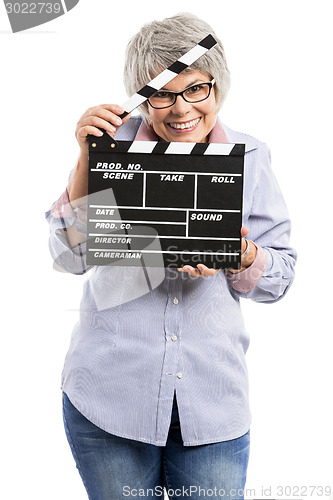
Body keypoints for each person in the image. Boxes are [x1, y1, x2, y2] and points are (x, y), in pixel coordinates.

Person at [45, 12, 296, 500]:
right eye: (161, 93)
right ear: (141, 97)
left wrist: (240, 256)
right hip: (109, 395)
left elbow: (281, 278)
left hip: (212, 404)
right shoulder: (112, 149)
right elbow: (67, 256)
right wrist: (85, 157)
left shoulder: (250, 157)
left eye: (196, 89)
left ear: (217, 87)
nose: (180, 109)